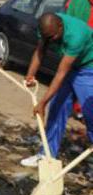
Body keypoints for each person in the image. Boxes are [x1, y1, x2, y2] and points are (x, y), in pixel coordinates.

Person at [19, 13, 93, 167]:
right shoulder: (46, 29)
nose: (50, 40)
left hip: (88, 68)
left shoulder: (76, 35)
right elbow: (40, 51)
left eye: (53, 36)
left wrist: (42, 102)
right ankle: (46, 155)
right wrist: (30, 75)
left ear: (60, 26)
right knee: (57, 108)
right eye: (47, 37)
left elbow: (60, 74)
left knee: (90, 113)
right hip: (71, 66)